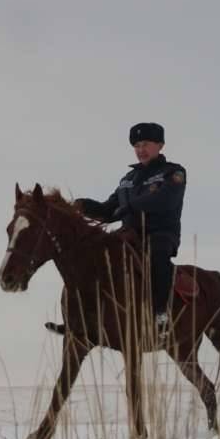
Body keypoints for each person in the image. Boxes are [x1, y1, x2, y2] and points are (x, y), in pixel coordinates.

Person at [76, 122, 186, 334]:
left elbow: (165, 200)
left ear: (160, 145)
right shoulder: (127, 180)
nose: (140, 150)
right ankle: (82, 316)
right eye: (136, 145)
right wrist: (83, 206)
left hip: (160, 234)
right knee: (92, 255)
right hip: (128, 236)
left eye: (145, 144)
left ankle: (161, 314)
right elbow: (108, 211)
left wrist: (129, 207)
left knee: (157, 255)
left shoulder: (174, 172)